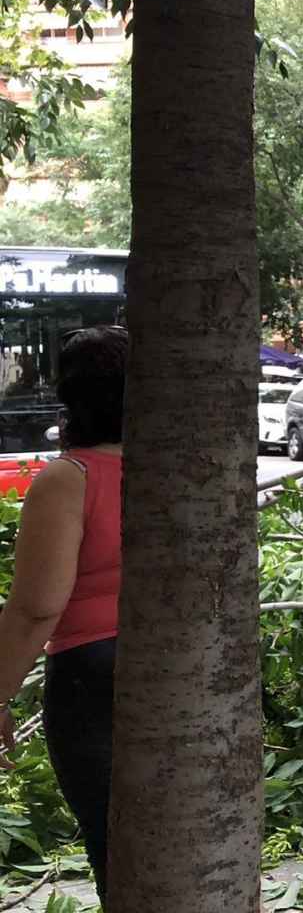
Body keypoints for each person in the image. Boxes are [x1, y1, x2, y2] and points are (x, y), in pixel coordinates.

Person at [0, 326, 127, 901]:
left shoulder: (69, 479)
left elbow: (35, 608)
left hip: (93, 677)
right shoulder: (184, 470)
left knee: (115, 848)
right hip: (185, 668)